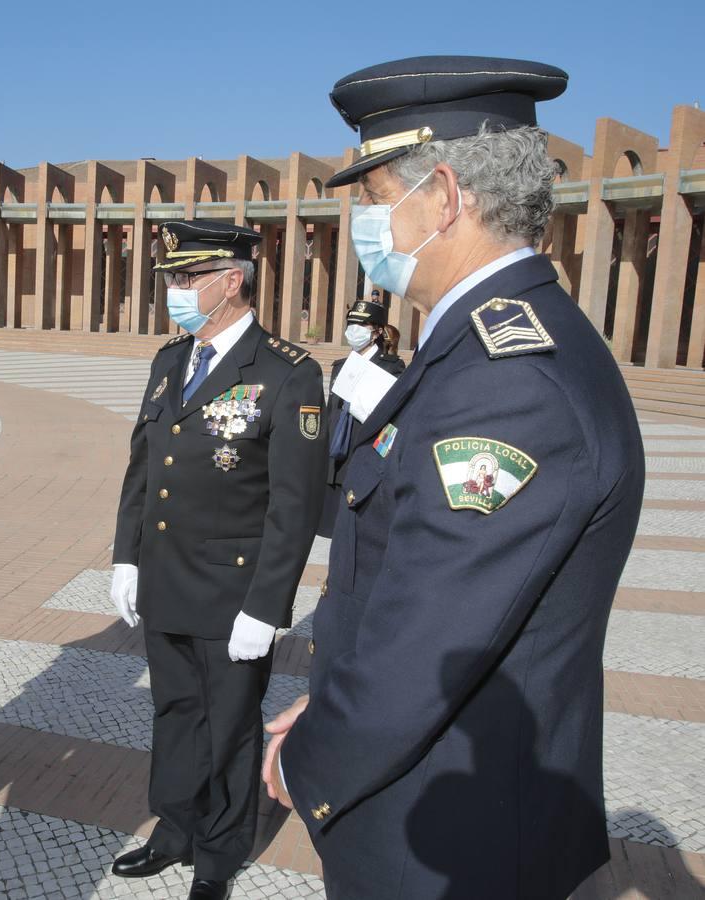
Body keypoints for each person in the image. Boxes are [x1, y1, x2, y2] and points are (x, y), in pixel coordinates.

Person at [262, 56, 645, 900]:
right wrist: (323, 705)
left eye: (372, 201)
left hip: (445, 834)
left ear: (441, 195)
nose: (368, 227)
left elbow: (429, 633)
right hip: (447, 784)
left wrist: (312, 754)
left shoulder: (503, 380)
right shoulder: (483, 344)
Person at [110, 221, 327, 900]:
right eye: (169, 279)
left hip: (233, 594)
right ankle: (173, 830)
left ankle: (217, 854)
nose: (172, 291)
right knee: (174, 712)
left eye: (185, 279)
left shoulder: (286, 372)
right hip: (166, 581)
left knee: (229, 728)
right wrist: (126, 559)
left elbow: (291, 507)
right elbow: (143, 468)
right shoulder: (169, 360)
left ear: (231, 281)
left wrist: (266, 606)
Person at [317, 294, 405, 536]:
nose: (353, 331)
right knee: (330, 532)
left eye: (361, 326)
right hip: (335, 460)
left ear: (376, 332)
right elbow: (331, 414)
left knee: (355, 533)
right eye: (351, 325)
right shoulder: (340, 366)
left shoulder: (391, 367)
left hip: (363, 456)